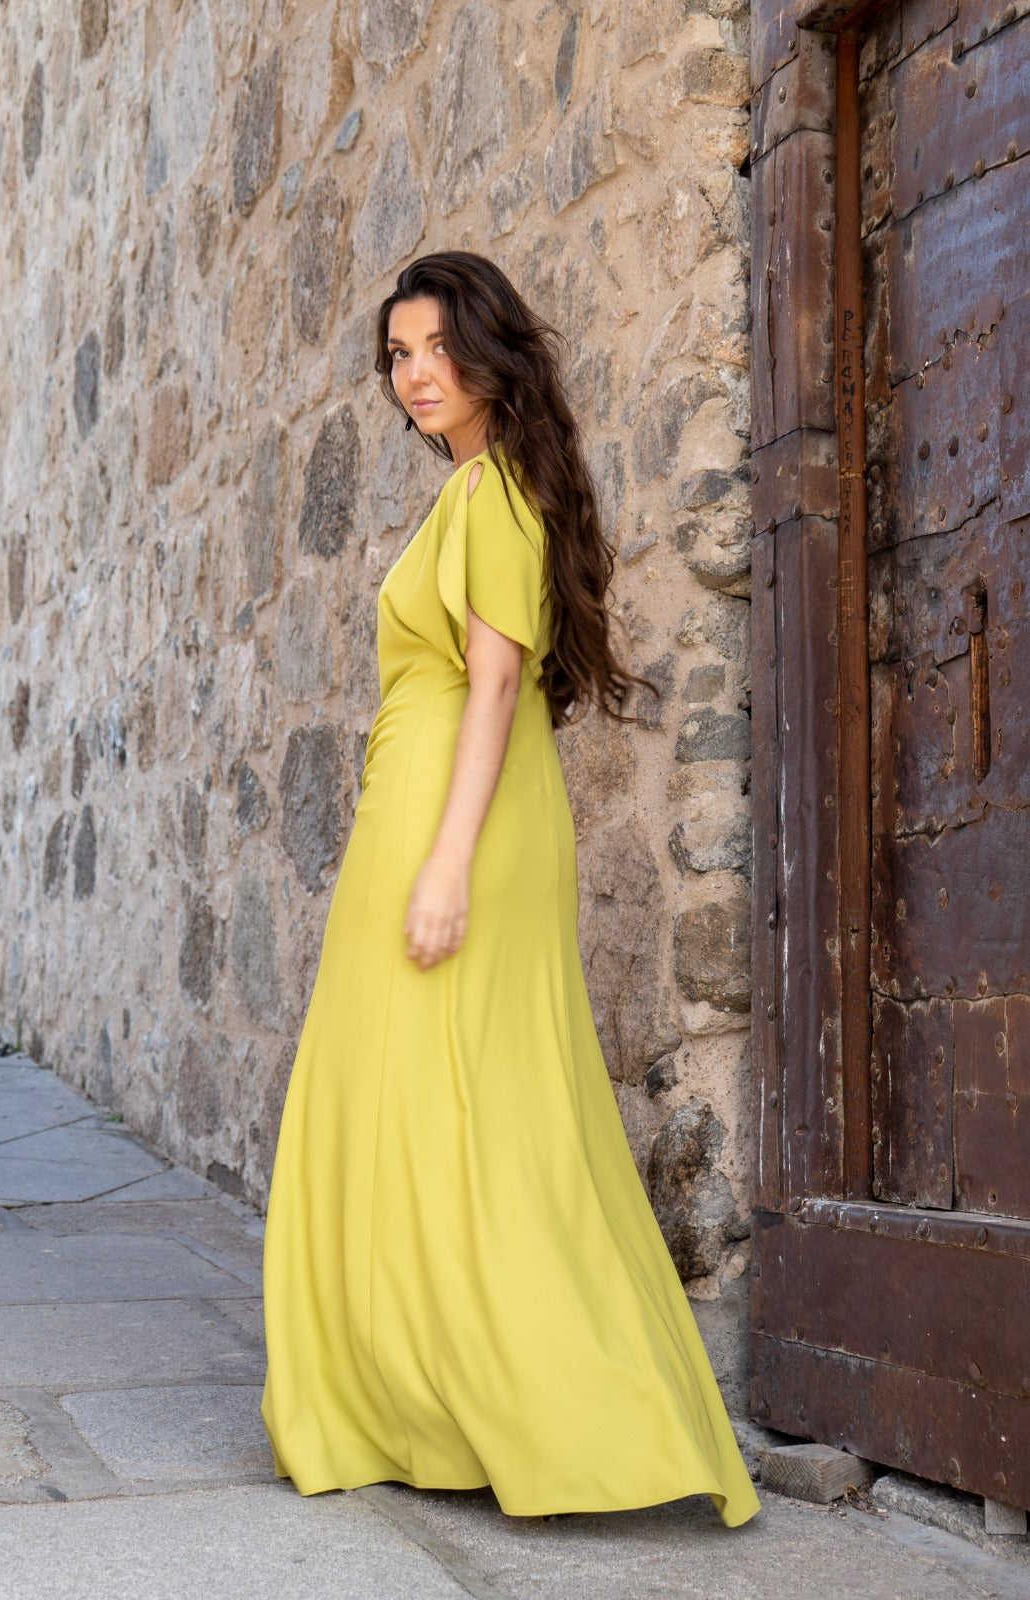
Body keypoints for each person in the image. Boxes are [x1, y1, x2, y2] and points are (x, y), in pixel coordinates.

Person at [261, 251, 760, 1526]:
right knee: (441, 1107)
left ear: (489, 354)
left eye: (437, 347)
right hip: (443, 812)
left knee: (456, 1109)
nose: (415, 374)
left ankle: (542, 1411)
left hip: (455, 822)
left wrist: (444, 862)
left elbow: (492, 684)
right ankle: (435, 1401)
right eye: (398, 355)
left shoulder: (494, 493)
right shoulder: (484, 488)